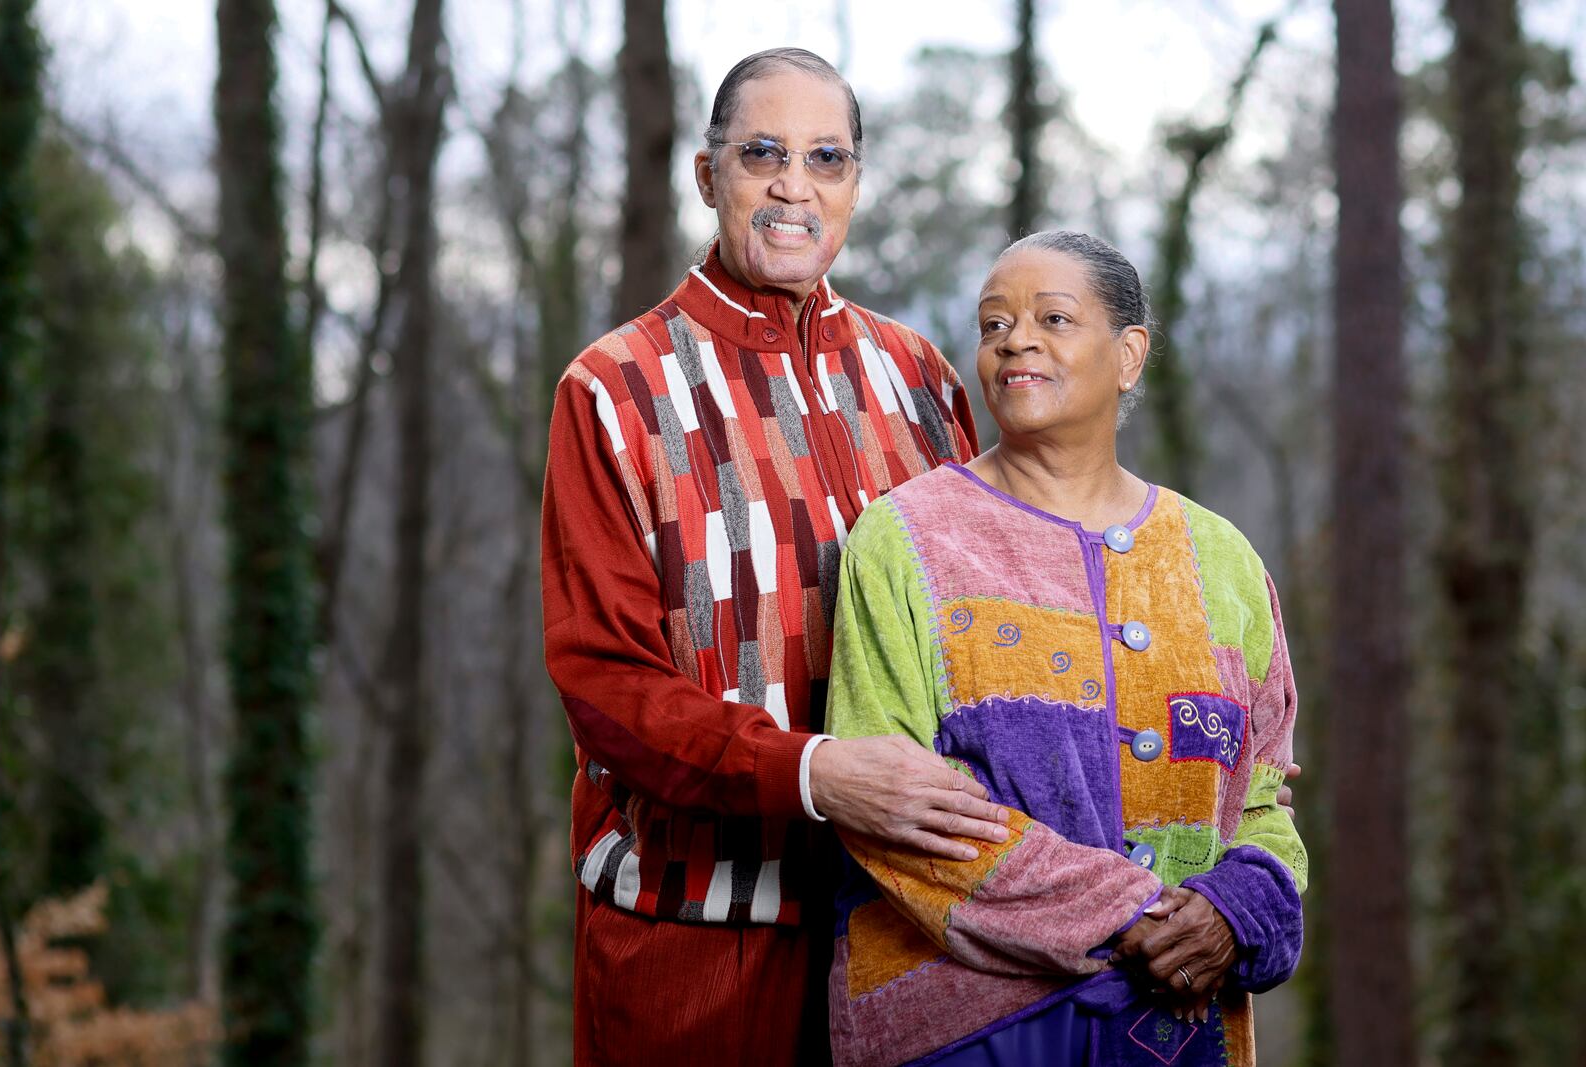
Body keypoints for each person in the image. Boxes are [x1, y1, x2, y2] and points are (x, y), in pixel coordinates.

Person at [542, 48, 1015, 1067]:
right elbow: (608, 687)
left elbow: (990, 637)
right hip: (698, 943)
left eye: (826, 158)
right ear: (709, 176)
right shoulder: (612, 392)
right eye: (762, 153)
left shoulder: (919, 379)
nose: (794, 185)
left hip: (903, 937)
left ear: (855, 183)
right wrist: (814, 771)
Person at [825, 231, 1307, 1066]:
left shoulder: (1223, 561)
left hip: (1179, 1028)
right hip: (966, 1029)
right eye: (993, 324)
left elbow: (1263, 798)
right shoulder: (906, 538)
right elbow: (890, 804)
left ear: (1129, 355)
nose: (1015, 339)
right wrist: (1135, 916)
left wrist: (1238, 909)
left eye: (1053, 317)